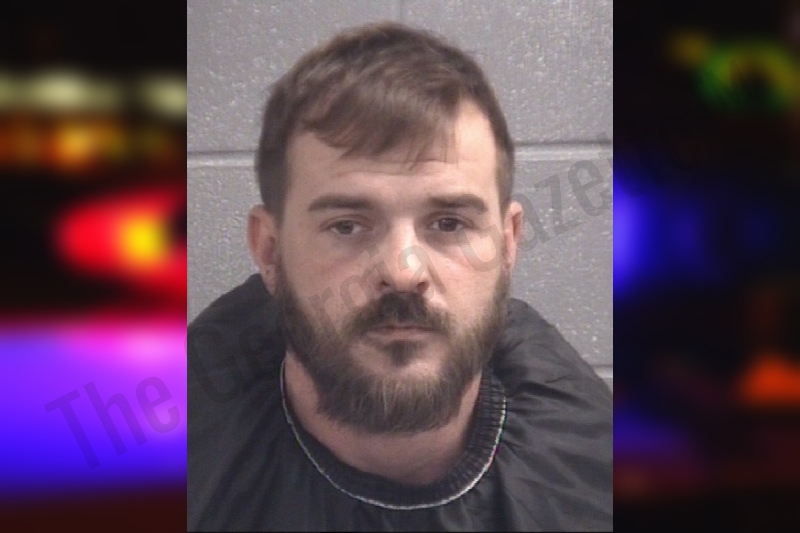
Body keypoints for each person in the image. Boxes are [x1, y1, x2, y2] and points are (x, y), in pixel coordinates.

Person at [188, 21, 612, 531]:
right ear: (270, 251)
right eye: (346, 226)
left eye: (449, 223)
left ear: (508, 243)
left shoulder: (597, 479)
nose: (403, 271)